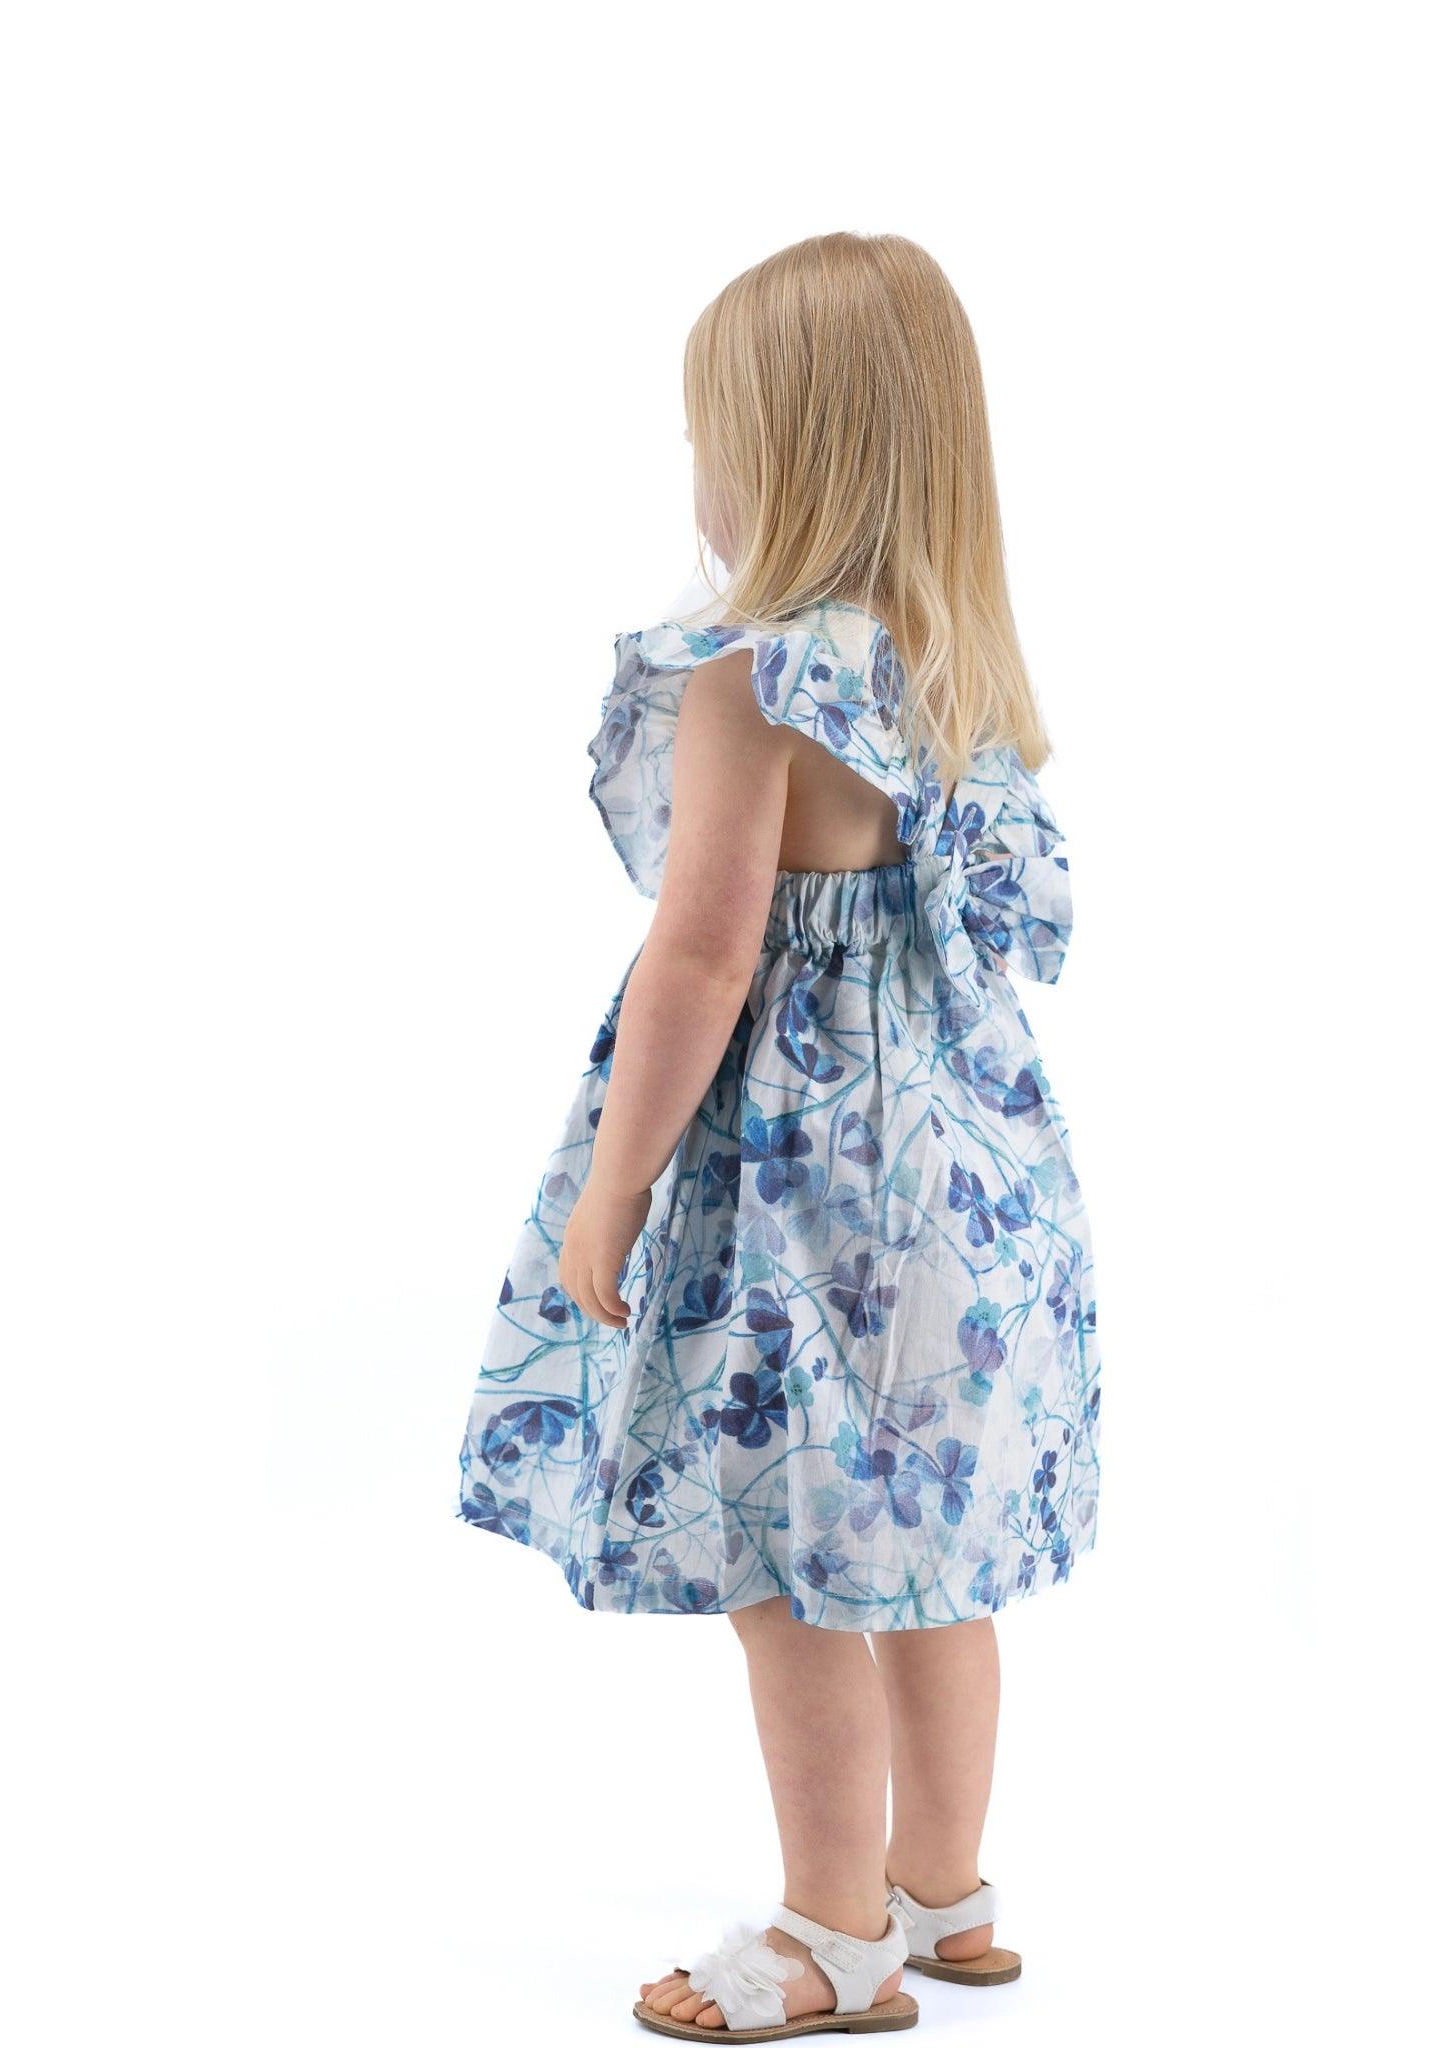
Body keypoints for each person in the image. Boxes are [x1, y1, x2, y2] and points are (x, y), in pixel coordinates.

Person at [455, 231, 1102, 2040]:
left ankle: (832, 1936)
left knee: (789, 1571)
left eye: (708, 440)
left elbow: (706, 950)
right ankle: (946, 1893)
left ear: (784, 459)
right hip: (969, 1196)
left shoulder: (751, 679)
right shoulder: (958, 667)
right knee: (926, 1561)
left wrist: (616, 1181)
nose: (696, 478)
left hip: (807, 1196)